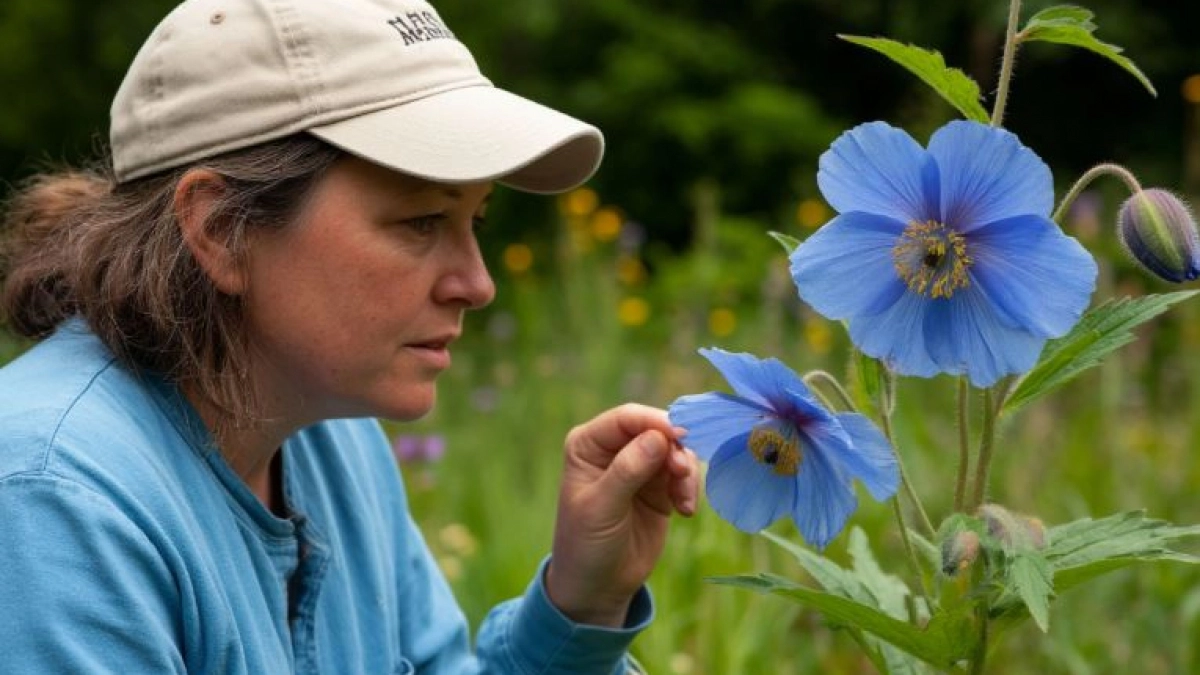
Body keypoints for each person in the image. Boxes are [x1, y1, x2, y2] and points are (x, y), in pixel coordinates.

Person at [0, 0, 700, 672]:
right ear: (220, 230)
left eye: (475, 222)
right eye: (422, 220)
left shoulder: (334, 442)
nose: (477, 284)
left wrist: (583, 603)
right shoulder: (53, 500)